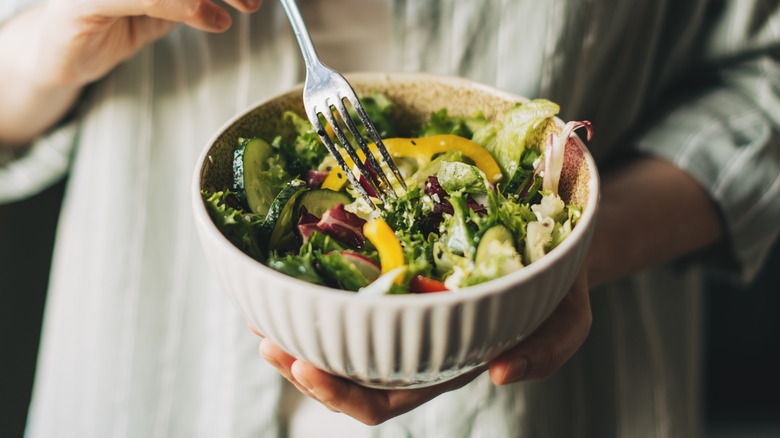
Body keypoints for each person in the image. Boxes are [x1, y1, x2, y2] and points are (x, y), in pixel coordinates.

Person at [1, 0, 778, 436]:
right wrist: (50, 42)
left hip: (554, 403)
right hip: (148, 372)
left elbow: (765, 82)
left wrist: (570, 254)